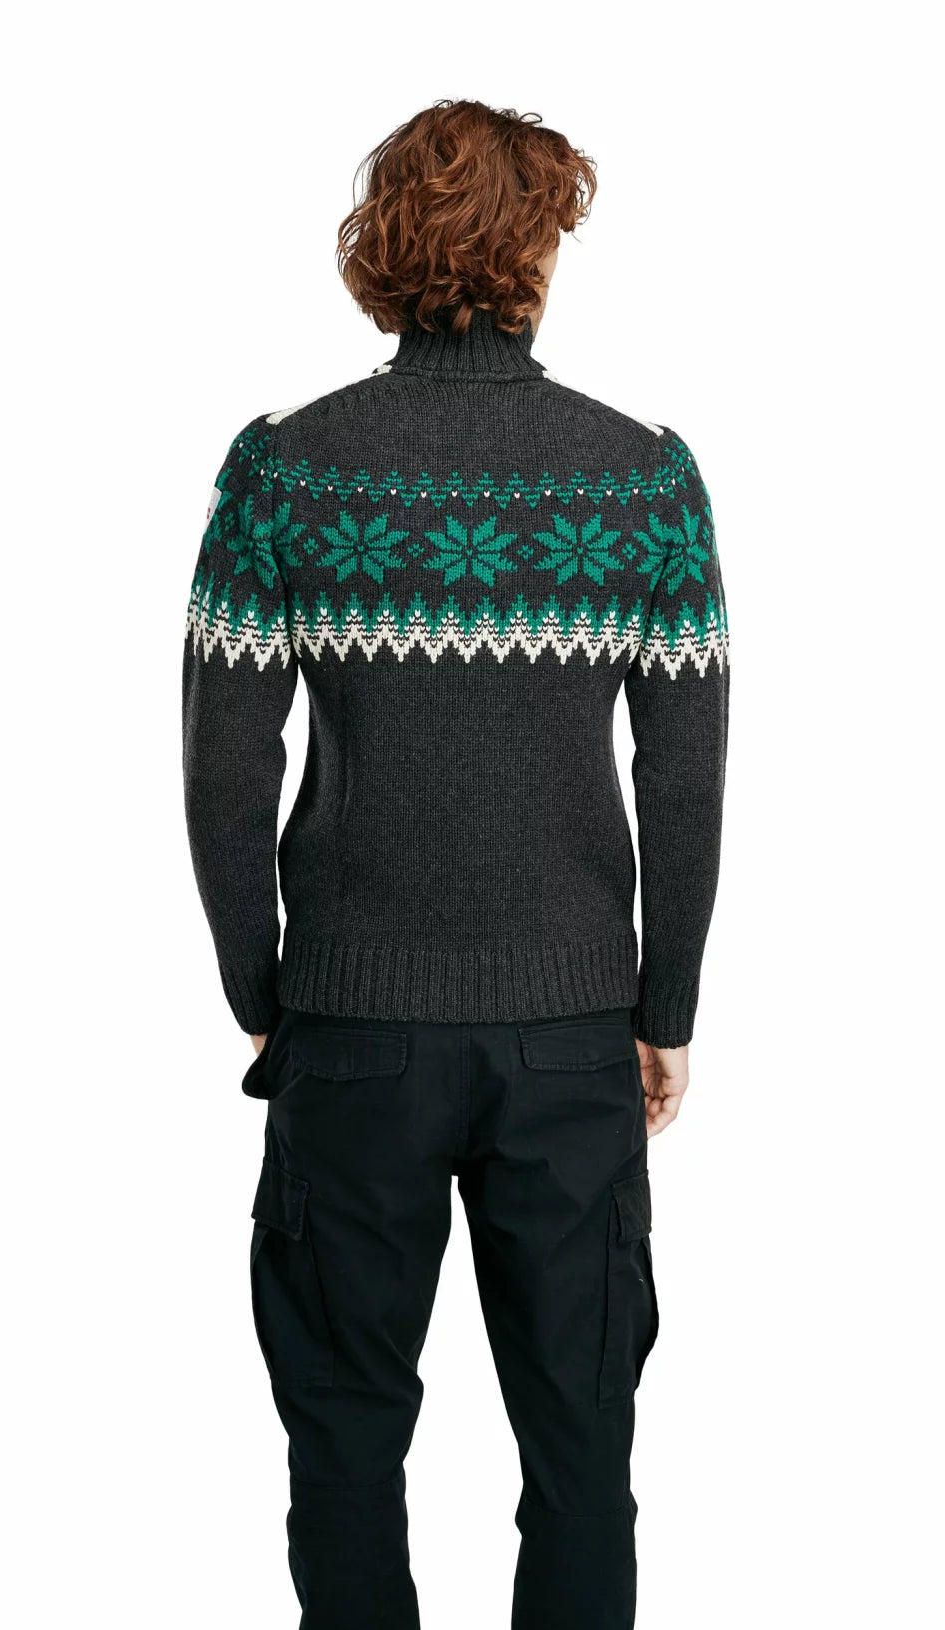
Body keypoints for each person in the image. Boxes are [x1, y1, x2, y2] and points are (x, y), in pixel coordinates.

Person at [182, 97, 729, 1630]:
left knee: (344, 1440)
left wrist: (265, 992)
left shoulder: (287, 472)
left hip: (350, 1034)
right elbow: (683, 774)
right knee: (581, 1448)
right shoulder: (641, 479)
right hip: (568, 1038)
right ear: (539, 251)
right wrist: (662, 1010)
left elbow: (226, 766)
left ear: (383, 251)